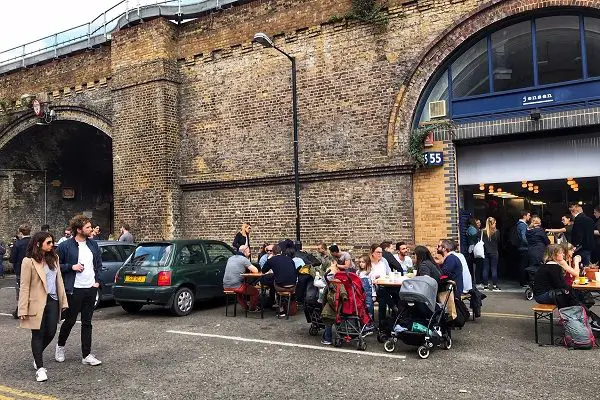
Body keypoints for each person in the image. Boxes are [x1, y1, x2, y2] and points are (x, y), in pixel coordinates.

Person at [18, 232, 68, 382]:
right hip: (36, 303)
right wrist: (22, 308)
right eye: (48, 242)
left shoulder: (54, 258)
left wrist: (63, 301)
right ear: (38, 244)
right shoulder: (28, 261)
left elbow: (59, 280)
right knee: (38, 335)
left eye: (52, 242)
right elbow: (24, 286)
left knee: (51, 331)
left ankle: (37, 355)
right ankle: (40, 368)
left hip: (53, 300)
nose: (52, 245)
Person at [56, 215, 103, 366]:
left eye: (90, 226)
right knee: (69, 321)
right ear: (79, 229)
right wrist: (71, 267)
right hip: (74, 289)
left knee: (87, 322)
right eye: (88, 227)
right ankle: (60, 347)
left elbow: (99, 264)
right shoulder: (65, 246)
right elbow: (56, 265)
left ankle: (87, 355)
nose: (91, 229)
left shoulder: (93, 245)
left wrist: (97, 281)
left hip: (90, 288)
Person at [262, 244, 297, 318]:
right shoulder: (289, 259)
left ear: (273, 253)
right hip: (293, 286)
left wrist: (269, 259)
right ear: (281, 252)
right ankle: (288, 306)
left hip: (281, 287)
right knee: (279, 280)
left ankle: (280, 309)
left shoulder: (272, 260)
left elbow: (263, 270)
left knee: (274, 282)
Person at [222, 245, 260, 312]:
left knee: (239, 293)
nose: (249, 253)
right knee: (255, 292)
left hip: (225, 285)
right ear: (245, 251)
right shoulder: (244, 259)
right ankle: (252, 308)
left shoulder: (230, 258)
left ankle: (245, 307)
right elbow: (255, 270)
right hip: (237, 286)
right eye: (248, 251)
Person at [368, 244, 395, 326]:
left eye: (381, 252)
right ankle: (392, 307)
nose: (380, 254)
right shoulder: (368, 262)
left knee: (383, 296)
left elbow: (389, 273)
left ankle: (382, 323)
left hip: (383, 286)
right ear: (372, 253)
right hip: (370, 287)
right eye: (377, 252)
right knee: (382, 293)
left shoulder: (384, 261)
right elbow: (365, 275)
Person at [11, 224, 32, 319]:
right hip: (33, 268)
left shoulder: (17, 244)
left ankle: (19, 310)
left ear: (20, 232)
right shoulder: (34, 242)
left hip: (20, 270)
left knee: (21, 290)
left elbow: (12, 259)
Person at [569, 202, 595, 267]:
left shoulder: (578, 220)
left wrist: (574, 245)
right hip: (590, 246)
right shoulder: (590, 220)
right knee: (586, 266)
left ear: (573, 212)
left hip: (581, 247)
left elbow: (578, 234)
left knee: (579, 266)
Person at [482, 217, 500, 291]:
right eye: (495, 223)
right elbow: (498, 241)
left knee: (485, 269)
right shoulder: (497, 232)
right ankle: (495, 286)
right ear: (491, 224)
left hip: (485, 252)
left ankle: (485, 286)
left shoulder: (482, 231)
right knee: (494, 269)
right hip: (494, 252)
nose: (495, 224)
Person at [516, 210, 531, 286]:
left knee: (523, 264)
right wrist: (529, 243)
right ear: (524, 216)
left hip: (522, 247)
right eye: (528, 215)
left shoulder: (522, 224)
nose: (529, 217)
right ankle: (523, 282)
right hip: (524, 248)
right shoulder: (522, 225)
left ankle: (523, 281)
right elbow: (523, 237)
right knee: (524, 265)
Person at [466, 218, 482, 285]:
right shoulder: (472, 229)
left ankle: (475, 280)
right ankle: (477, 281)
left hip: (472, 248)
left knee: (474, 265)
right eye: (477, 223)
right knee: (477, 265)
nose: (479, 224)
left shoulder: (471, 228)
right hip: (474, 248)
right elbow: (475, 238)